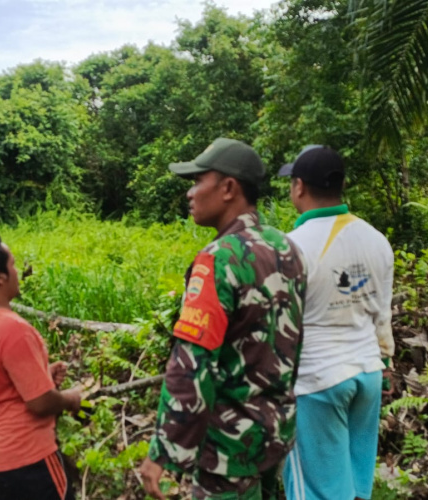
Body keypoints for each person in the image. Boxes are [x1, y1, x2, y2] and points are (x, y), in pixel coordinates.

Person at [139, 138, 308, 500]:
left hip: (227, 453)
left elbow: (192, 365)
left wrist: (166, 451)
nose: (190, 192)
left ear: (228, 188)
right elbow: (293, 345)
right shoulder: (286, 249)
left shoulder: (217, 260)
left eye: (198, 181)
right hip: (274, 437)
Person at [278, 146, 395, 500]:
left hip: (317, 381)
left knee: (317, 492)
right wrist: (385, 365)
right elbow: (382, 317)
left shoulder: (292, 246)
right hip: (368, 376)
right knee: (355, 488)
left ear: (299, 186)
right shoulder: (376, 239)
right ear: (341, 185)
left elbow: (282, 325)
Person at [0, 234, 81, 500]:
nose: (18, 272)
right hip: (26, 459)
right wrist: (70, 399)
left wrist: (41, 375)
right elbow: (40, 403)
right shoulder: (14, 328)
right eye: (12, 264)